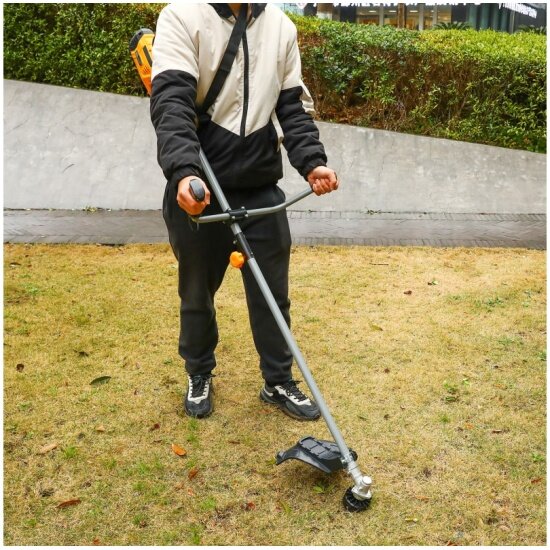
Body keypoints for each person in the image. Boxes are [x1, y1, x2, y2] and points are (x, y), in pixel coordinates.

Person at [150, 3, 338, 420]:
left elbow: (292, 108)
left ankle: (278, 380)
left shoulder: (281, 27)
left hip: (260, 185)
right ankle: (199, 373)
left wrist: (312, 162)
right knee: (197, 293)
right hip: (201, 188)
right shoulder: (182, 16)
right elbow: (172, 104)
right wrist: (184, 172)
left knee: (273, 294)